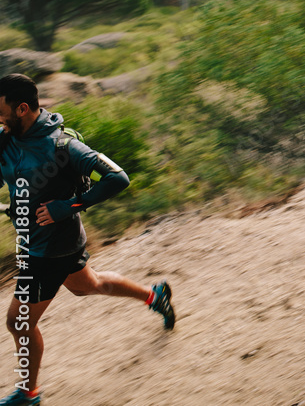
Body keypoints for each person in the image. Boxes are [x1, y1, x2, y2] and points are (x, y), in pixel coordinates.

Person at [0, 74, 174, 406]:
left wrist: (68, 206)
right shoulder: (6, 140)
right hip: (41, 242)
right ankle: (155, 296)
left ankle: (28, 393)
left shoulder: (63, 146)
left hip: (49, 247)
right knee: (86, 285)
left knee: (17, 322)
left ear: (21, 108)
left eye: (0, 109)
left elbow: (117, 177)